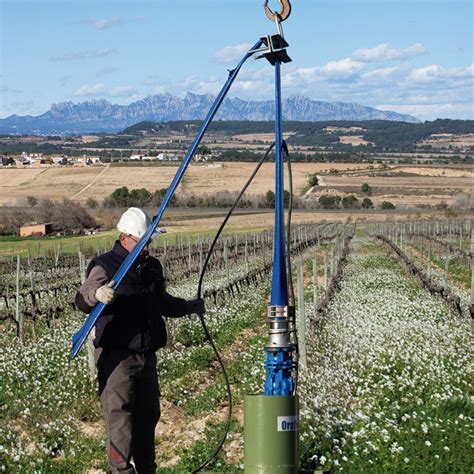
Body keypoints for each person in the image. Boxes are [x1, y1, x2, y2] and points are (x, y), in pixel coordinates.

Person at [75, 207, 205, 473]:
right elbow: (83, 295)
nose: (147, 248)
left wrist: (189, 307)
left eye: (149, 242)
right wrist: (97, 294)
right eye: (142, 242)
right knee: (119, 419)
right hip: (118, 356)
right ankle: (121, 471)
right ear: (125, 238)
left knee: (148, 417)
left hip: (146, 354)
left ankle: (146, 469)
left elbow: (162, 303)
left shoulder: (151, 267)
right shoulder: (105, 266)